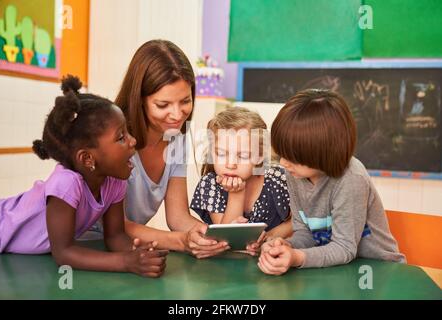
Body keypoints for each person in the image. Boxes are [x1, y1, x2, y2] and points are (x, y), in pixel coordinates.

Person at [0, 76, 167, 278]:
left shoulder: (115, 181)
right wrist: (126, 262)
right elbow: (64, 253)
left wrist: (141, 255)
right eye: (121, 137)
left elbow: (115, 236)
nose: (133, 140)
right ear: (87, 158)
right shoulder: (66, 183)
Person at [258, 89, 405, 275]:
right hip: (335, 269)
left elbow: (344, 248)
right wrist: (284, 246)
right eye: (282, 154)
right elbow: (306, 234)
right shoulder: (295, 172)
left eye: (293, 157)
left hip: (376, 272)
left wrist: (295, 257)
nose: (283, 163)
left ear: (323, 150)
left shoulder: (351, 178)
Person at [115, 39, 228, 258]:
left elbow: (177, 217)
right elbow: (117, 226)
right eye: (163, 105)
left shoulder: (177, 138)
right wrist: (180, 242)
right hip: (84, 246)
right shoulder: (115, 140)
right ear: (139, 100)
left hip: (127, 253)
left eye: (185, 101)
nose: (177, 115)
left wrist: (206, 235)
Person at [190, 107, 292, 241]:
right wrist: (236, 194)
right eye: (221, 154)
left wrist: (269, 237)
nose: (231, 164)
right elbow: (229, 238)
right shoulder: (210, 184)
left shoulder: (279, 178)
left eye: (243, 156)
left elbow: (299, 221)